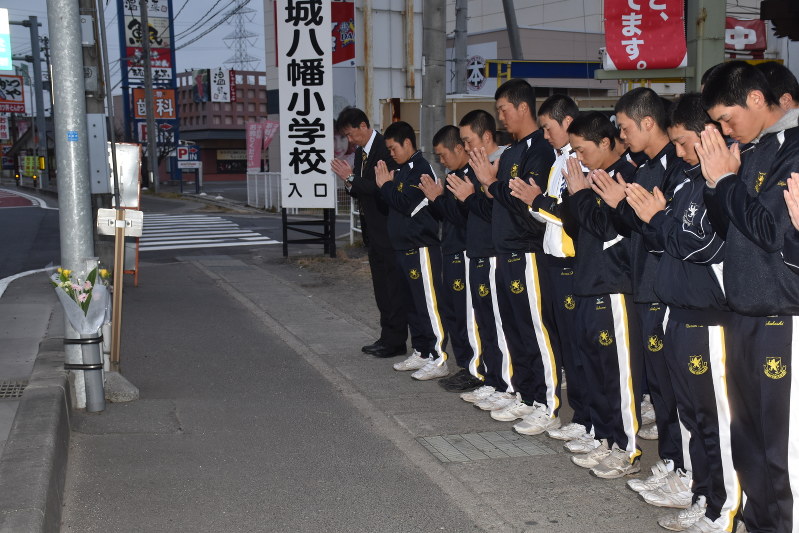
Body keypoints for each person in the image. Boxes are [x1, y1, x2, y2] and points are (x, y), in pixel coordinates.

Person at [625, 93, 741, 532]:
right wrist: (656, 219)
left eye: (682, 142)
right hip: (678, 310)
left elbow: (705, 247)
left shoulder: (719, 183)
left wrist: (659, 220)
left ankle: (724, 510)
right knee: (690, 416)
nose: (677, 151)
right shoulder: (686, 181)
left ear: (708, 135)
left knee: (715, 420)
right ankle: (703, 496)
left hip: (708, 317)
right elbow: (667, 241)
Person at [697, 60, 799, 533]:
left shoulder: (793, 148)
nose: (724, 129)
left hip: (781, 314)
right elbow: (728, 229)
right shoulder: (754, 149)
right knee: (748, 440)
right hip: (741, 310)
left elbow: (770, 231)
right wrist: (718, 182)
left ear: (756, 99)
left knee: (782, 447)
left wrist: (726, 181)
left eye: (726, 118)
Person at [591, 87, 689, 481]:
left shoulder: (676, 167)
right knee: (661, 386)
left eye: (625, 127)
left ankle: (684, 466)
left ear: (648, 122)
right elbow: (633, 228)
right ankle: (671, 459)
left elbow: (663, 231)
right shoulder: (644, 168)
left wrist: (626, 206)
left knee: (676, 387)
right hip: (644, 283)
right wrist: (620, 205)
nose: (622, 135)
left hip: (665, 286)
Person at [555, 111, 644, 480]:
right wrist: (576, 195)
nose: (578, 157)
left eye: (581, 149)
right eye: (573, 151)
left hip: (614, 287)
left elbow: (609, 230)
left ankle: (626, 447)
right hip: (588, 283)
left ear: (605, 142)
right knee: (594, 368)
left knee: (617, 373)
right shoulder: (590, 178)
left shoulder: (625, 176)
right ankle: (605, 437)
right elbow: (577, 228)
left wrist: (579, 195)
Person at [469, 78, 561, 433]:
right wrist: (491, 186)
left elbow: (526, 199)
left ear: (523, 107)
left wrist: (491, 184)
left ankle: (548, 404)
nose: (501, 118)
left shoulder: (540, 150)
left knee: (536, 330)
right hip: (506, 252)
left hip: (528, 252)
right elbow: (505, 198)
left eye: (504, 110)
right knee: (516, 328)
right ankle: (527, 394)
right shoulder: (511, 152)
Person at [507, 94, 593, 441]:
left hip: (572, 261)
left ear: (567, 122)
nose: (545, 135)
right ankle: (580, 416)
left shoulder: (579, 161)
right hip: (553, 259)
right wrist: (537, 202)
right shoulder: (560, 161)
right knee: (566, 344)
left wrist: (537, 201)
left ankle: (585, 419)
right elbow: (552, 210)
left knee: (578, 346)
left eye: (548, 127)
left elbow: (571, 214)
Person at [332, 108, 410, 358]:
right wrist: (349, 181)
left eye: (350, 134)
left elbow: (381, 188)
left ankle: (396, 340)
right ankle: (387, 336)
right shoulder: (360, 153)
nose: (349, 140)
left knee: (393, 288)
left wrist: (351, 177)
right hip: (372, 231)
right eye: (346, 136)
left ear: (363, 126)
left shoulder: (384, 149)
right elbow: (360, 188)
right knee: (381, 288)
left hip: (388, 229)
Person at [375, 120, 450, 380]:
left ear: (407, 143)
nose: (391, 154)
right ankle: (422, 351)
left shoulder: (421, 169)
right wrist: (386, 187)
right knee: (412, 304)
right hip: (403, 247)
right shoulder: (401, 170)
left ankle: (439, 358)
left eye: (393, 148)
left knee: (428, 304)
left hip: (421, 247)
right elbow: (390, 203)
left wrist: (386, 185)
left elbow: (406, 203)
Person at [447, 110, 510, 401]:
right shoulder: (473, 167)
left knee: (499, 323)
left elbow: (498, 212)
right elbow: (468, 212)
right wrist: (463, 199)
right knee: (483, 320)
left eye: (468, 140)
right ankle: (491, 378)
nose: (465, 147)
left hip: (495, 253)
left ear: (486, 136)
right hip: (475, 251)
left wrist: (474, 195)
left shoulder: (502, 163)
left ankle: (506, 384)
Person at [416, 125, 481, 391]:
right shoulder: (454, 175)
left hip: (466, 251)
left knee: (467, 315)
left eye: (443, 154)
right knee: (453, 313)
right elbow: (446, 215)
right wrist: (435, 200)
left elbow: (464, 216)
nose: (441, 161)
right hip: (451, 250)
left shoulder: (473, 175)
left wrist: (438, 199)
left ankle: (475, 369)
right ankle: (465, 365)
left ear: (459, 148)